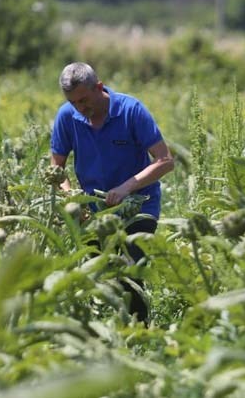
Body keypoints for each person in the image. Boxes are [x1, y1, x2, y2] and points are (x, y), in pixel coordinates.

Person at [51, 62, 174, 322]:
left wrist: (126, 187)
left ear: (99, 87)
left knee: (131, 276)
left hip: (139, 208)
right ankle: (99, 335)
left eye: (84, 100)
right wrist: (72, 199)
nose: (80, 108)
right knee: (95, 276)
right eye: (73, 103)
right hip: (93, 213)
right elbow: (56, 168)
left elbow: (165, 161)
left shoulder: (131, 110)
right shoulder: (67, 117)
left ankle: (139, 336)